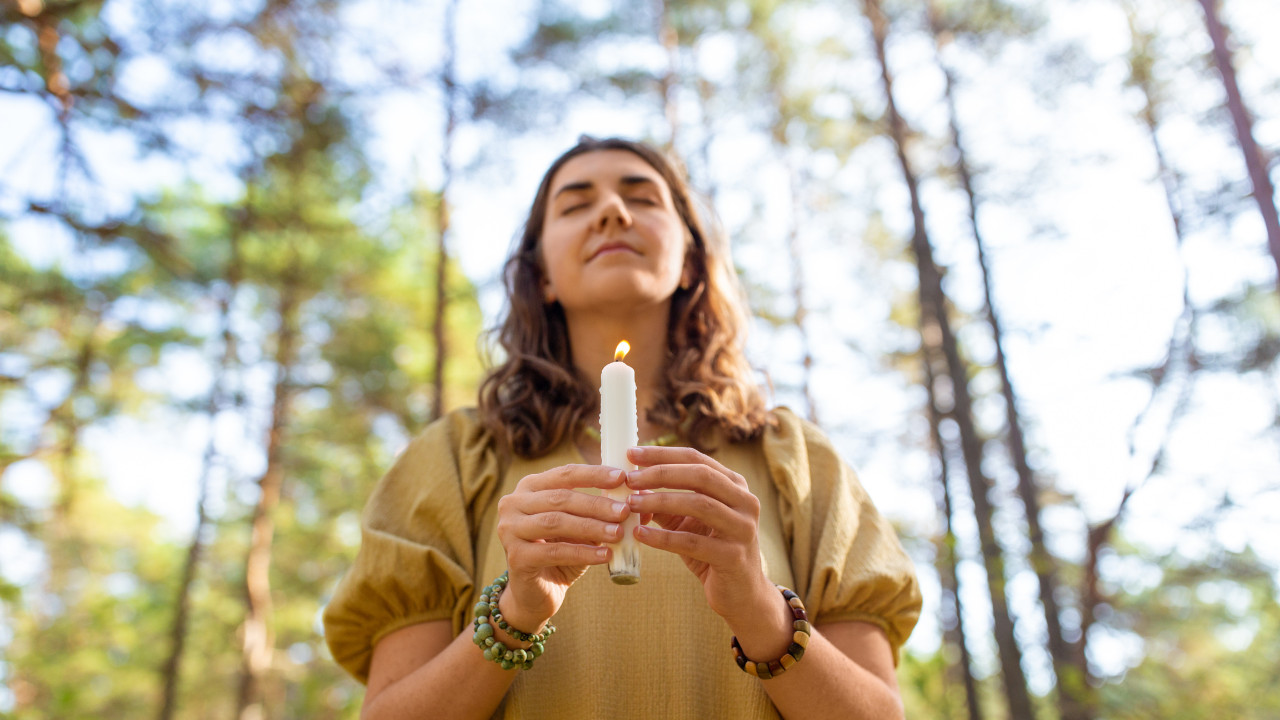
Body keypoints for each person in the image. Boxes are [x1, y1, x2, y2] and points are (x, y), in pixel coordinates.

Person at [322, 136, 921, 720]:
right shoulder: (454, 458)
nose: (611, 211)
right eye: (576, 204)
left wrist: (761, 612)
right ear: (544, 276)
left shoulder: (797, 460)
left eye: (642, 197)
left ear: (689, 260)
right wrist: (515, 612)